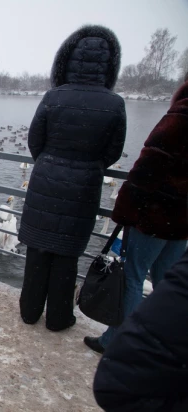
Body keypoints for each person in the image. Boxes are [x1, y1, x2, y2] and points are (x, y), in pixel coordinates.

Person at [18, 25, 127, 331]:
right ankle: (58, 318)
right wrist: (89, 166)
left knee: (37, 251)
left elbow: (35, 141)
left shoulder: (53, 96)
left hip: (44, 182)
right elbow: (113, 152)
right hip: (84, 188)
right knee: (66, 257)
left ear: (66, 60)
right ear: (110, 65)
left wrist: (50, 162)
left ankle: (29, 311)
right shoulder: (115, 103)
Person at [84, 74, 188, 354]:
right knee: (170, 283)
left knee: (132, 276)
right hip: (182, 221)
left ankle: (115, 341)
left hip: (156, 216)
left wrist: (125, 209)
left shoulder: (180, 117)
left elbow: (147, 169)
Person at [92, 248, 188, 411]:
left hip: (151, 229)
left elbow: (114, 389)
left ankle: (113, 337)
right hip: (176, 233)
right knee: (163, 276)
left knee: (134, 277)